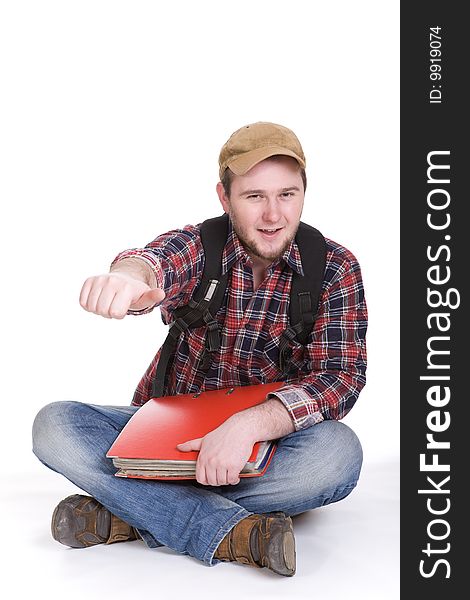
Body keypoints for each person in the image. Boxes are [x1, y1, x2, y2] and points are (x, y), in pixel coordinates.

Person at [32, 121, 367, 577]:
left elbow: (341, 378)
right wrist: (130, 280)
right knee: (54, 426)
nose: (273, 215)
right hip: (167, 441)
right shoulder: (201, 246)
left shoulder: (335, 267)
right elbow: (153, 263)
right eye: (254, 197)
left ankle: (129, 511)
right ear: (225, 198)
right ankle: (232, 533)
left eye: (287, 195)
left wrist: (247, 426)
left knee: (336, 457)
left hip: (268, 446)